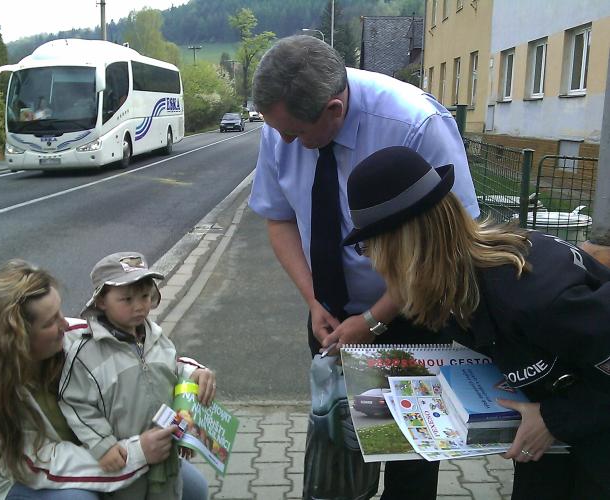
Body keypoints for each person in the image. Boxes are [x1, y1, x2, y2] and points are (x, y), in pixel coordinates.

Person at [248, 35, 479, 499]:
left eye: (294, 133)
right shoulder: (281, 126)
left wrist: (375, 320)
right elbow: (279, 218)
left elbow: (450, 246)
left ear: (334, 110)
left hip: (413, 317)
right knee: (340, 449)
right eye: (278, 131)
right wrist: (313, 299)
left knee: (408, 458)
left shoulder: (415, 125)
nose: (284, 142)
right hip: (333, 319)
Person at [342, 146, 610, 499]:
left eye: (370, 247)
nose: (372, 262)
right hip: (556, 441)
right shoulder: (460, 287)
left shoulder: (533, 296)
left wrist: (554, 417)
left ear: (405, 245)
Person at [0, 259, 165, 499]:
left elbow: (142, 354)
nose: (64, 323)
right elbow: (34, 465)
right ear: (17, 340)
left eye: (59, 312)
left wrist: (192, 373)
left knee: (191, 484)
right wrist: (136, 455)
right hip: (18, 479)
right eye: (50, 322)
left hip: (98, 455)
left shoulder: (77, 339)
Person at [58, 252, 215, 500]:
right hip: (125, 461)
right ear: (101, 301)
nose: (139, 306)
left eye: (145, 296)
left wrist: (192, 376)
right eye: (126, 299)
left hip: (165, 454)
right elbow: (75, 403)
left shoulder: (156, 337)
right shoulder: (86, 353)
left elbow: (172, 373)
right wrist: (103, 445)